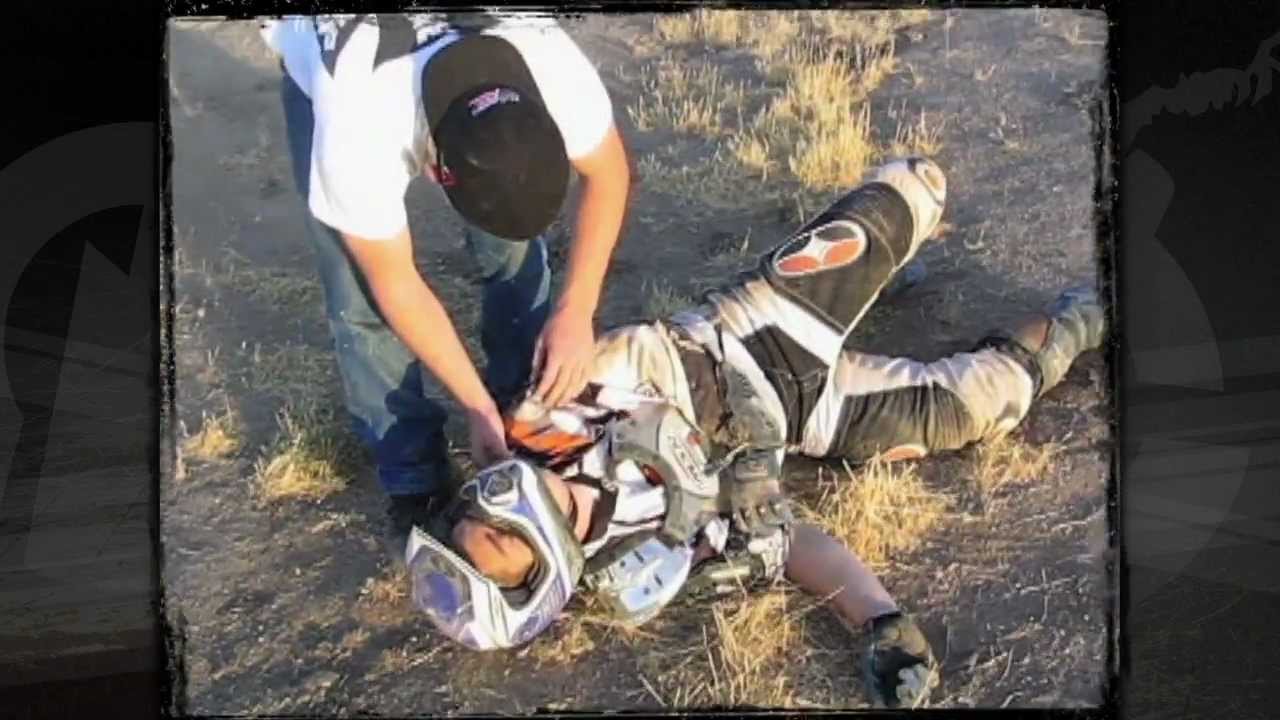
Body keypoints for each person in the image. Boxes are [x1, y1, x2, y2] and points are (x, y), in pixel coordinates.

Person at [402, 157, 1108, 708]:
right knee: (980, 407)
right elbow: (790, 542)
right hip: (805, 414)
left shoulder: (534, 424)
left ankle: (874, 279)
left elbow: (636, 367)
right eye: (498, 533)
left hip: (752, 331)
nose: (488, 497)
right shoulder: (641, 558)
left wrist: (726, 461)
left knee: (916, 186)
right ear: (542, 575)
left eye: (471, 511)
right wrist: (880, 620)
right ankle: (1085, 316)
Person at [258, 12, 631, 559]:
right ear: (436, 172)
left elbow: (610, 174)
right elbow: (394, 282)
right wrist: (473, 405)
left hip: (453, 52)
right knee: (357, 292)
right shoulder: (357, 128)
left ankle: (524, 414)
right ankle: (415, 477)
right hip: (329, 48)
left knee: (511, 241)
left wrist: (577, 309)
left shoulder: (552, 64)